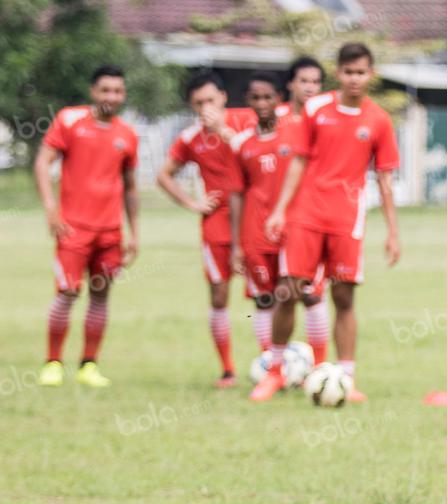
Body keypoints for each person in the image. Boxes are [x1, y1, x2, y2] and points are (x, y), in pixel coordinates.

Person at [251, 42, 401, 402]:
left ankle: (345, 379)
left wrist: (393, 232)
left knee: (343, 296)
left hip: (347, 219)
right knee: (288, 290)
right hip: (306, 215)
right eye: (348, 72)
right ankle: (274, 371)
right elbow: (299, 161)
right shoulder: (317, 109)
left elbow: (383, 179)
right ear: (339, 73)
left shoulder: (378, 120)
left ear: (371, 74)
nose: (355, 78)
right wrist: (280, 210)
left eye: (361, 72)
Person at [34, 65, 139, 388]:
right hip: (73, 228)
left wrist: (133, 232)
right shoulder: (69, 120)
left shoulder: (127, 134)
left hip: (109, 232)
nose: (112, 97)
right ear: (94, 91)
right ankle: (52, 362)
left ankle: (88, 365)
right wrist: (51, 209)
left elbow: (130, 186)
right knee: (66, 292)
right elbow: (42, 162)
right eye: (106, 90)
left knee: (101, 295)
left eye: (118, 91)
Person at [156, 72, 257, 387]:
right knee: (218, 294)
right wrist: (192, 203)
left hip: (252, 219)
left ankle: (273, 365)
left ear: (224, 98)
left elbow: (260, 153)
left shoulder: (246, 120)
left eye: (210, 100)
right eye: (198, 103)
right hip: (216, 223)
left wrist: (224, 131)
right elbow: (164, 175)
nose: (205, 108)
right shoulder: (190, 138)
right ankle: (227, 369)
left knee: (263, 295)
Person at [229, 72, 328, 359]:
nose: (262, 103)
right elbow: (236, 194)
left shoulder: (296, 134)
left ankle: (319, 365)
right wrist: (236, 244)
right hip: (256, 235)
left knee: (309, 295)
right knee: (264, 298)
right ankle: (270, 365)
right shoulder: (241, 144)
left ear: (278, 99)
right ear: (247, 101)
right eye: (255, 98)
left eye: (267, 97)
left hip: (295, 229)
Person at [277, 55, 324, 125]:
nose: (309, 88)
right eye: (304, 81)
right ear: (290, 84)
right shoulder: (276, 115)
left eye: (315, 82)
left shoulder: (326, 119)